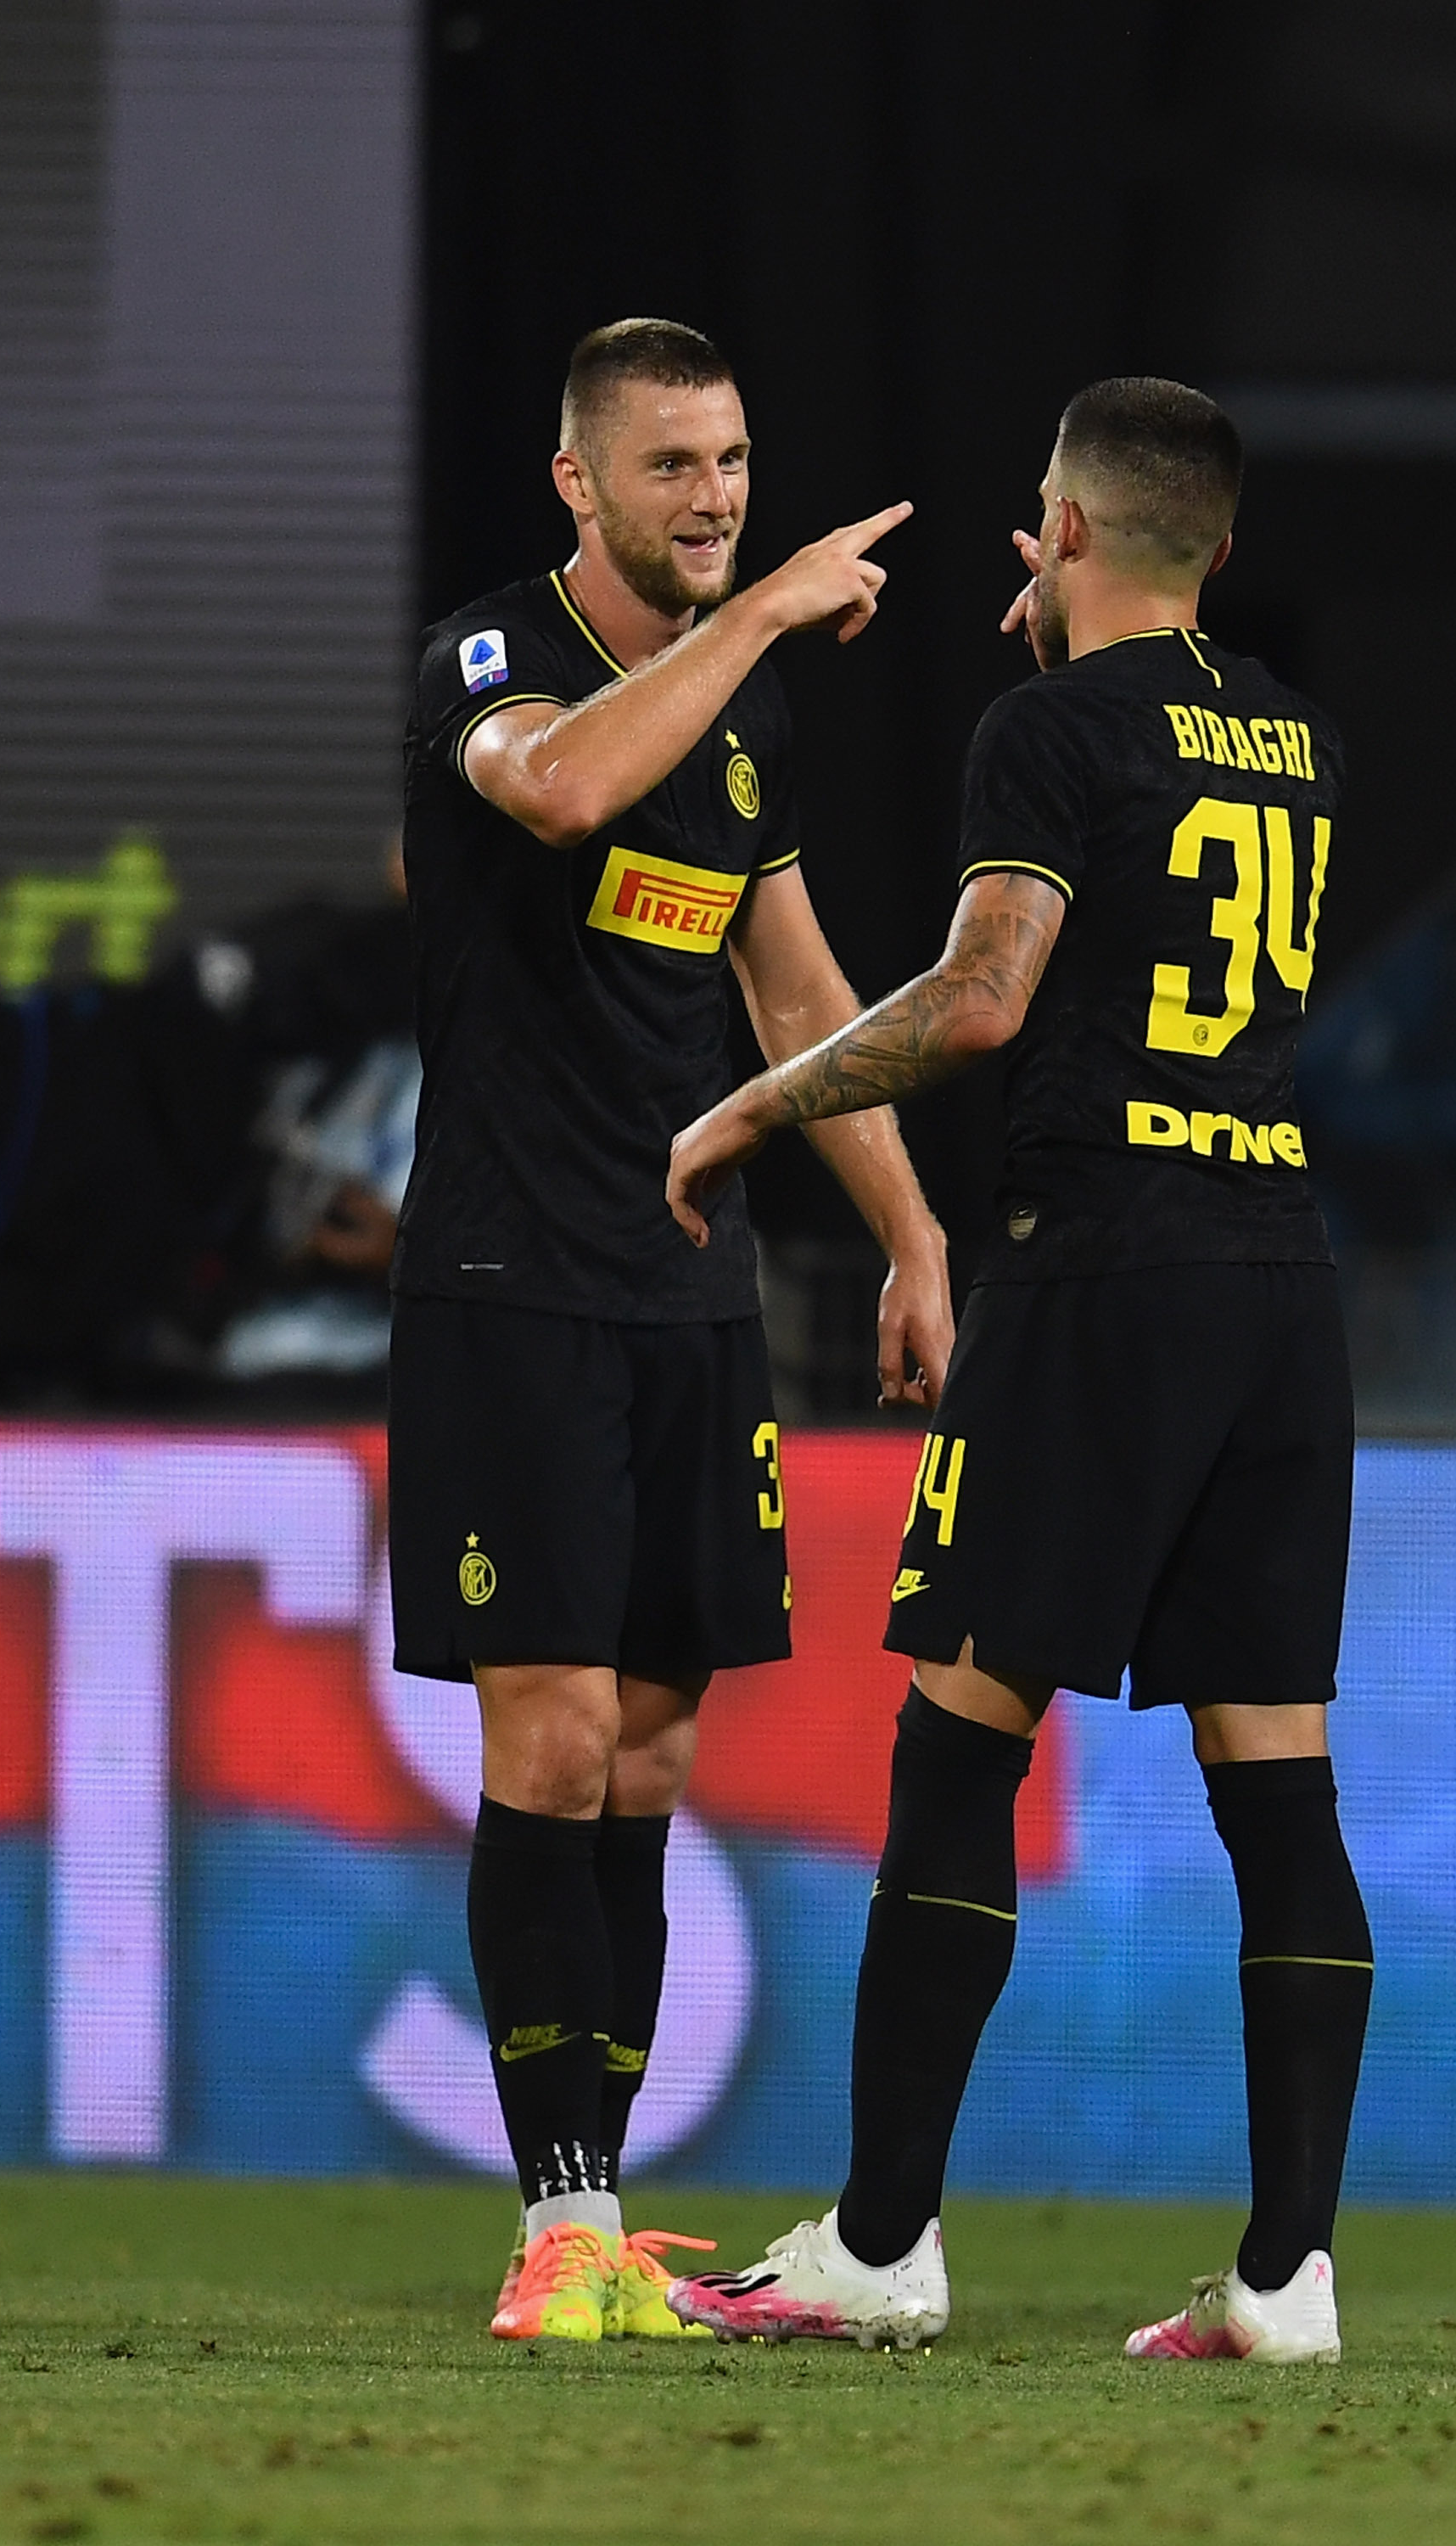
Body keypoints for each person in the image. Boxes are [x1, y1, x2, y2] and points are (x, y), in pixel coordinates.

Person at [661, 379, 1370, 2363]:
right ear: (1216, 545)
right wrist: (1084, 654)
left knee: (963, 1740)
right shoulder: (1299, 741)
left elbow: (983, 1002)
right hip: (1278, 1278)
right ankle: (1289, 2277)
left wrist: (753, 1108)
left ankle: (881, 2244)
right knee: (1279, 1783)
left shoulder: (1045, 731)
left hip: (1105, 1273)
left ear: (1056, 528)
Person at [390, 318, 955, 2343]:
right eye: (672, 467)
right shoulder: (490, 657)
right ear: (579, 484)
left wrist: (912, 1236)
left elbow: (796, 998)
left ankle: (607, 2215)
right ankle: (556, 2223)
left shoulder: (746, 713)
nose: (715, 500)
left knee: (649, 1751)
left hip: (689, 1298)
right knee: (547, 1738)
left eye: (731, 462)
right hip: (512, 1289)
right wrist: (773, 612)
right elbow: (557, 790)